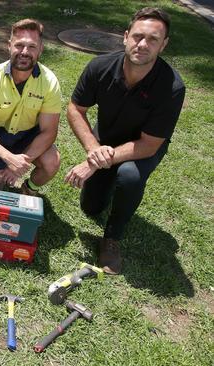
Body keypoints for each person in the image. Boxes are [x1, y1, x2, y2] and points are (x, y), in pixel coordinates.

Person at [65, 7, 185, 274]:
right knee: (91, 208)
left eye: (153, 39)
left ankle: (112, 238)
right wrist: (93, 150)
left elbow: (149, 144)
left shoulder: (171, 87)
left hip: (144, 147)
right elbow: (75, 108)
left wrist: (95, 163)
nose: (143, 44)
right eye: (138, 36)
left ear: (163, 45)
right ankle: (107, 182)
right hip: (105, 140)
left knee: (129, 176)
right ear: (126, 36)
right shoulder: (100, 67)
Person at [0, 19, 61, 195]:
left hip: (28, 136)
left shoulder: (50, 82)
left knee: (52, 162)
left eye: (32, 47)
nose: (25, 52)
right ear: (9, 46)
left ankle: (29, 188)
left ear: (41, 49)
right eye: (19, 45)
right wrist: (8, 158)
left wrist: (20, 164)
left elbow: (49, 132)